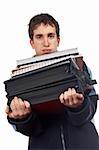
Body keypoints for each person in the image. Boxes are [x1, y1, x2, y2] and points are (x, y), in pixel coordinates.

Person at [5, 13, 99, 150]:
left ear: (58, 40)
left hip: (84, 144)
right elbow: (28, 129)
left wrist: (78, 107)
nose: (46, 43)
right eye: (39, 37)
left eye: (50, 36)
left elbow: (91, 108)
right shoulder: (20, 79)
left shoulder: (79, 67)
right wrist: (21, 118)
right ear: (31, 42)